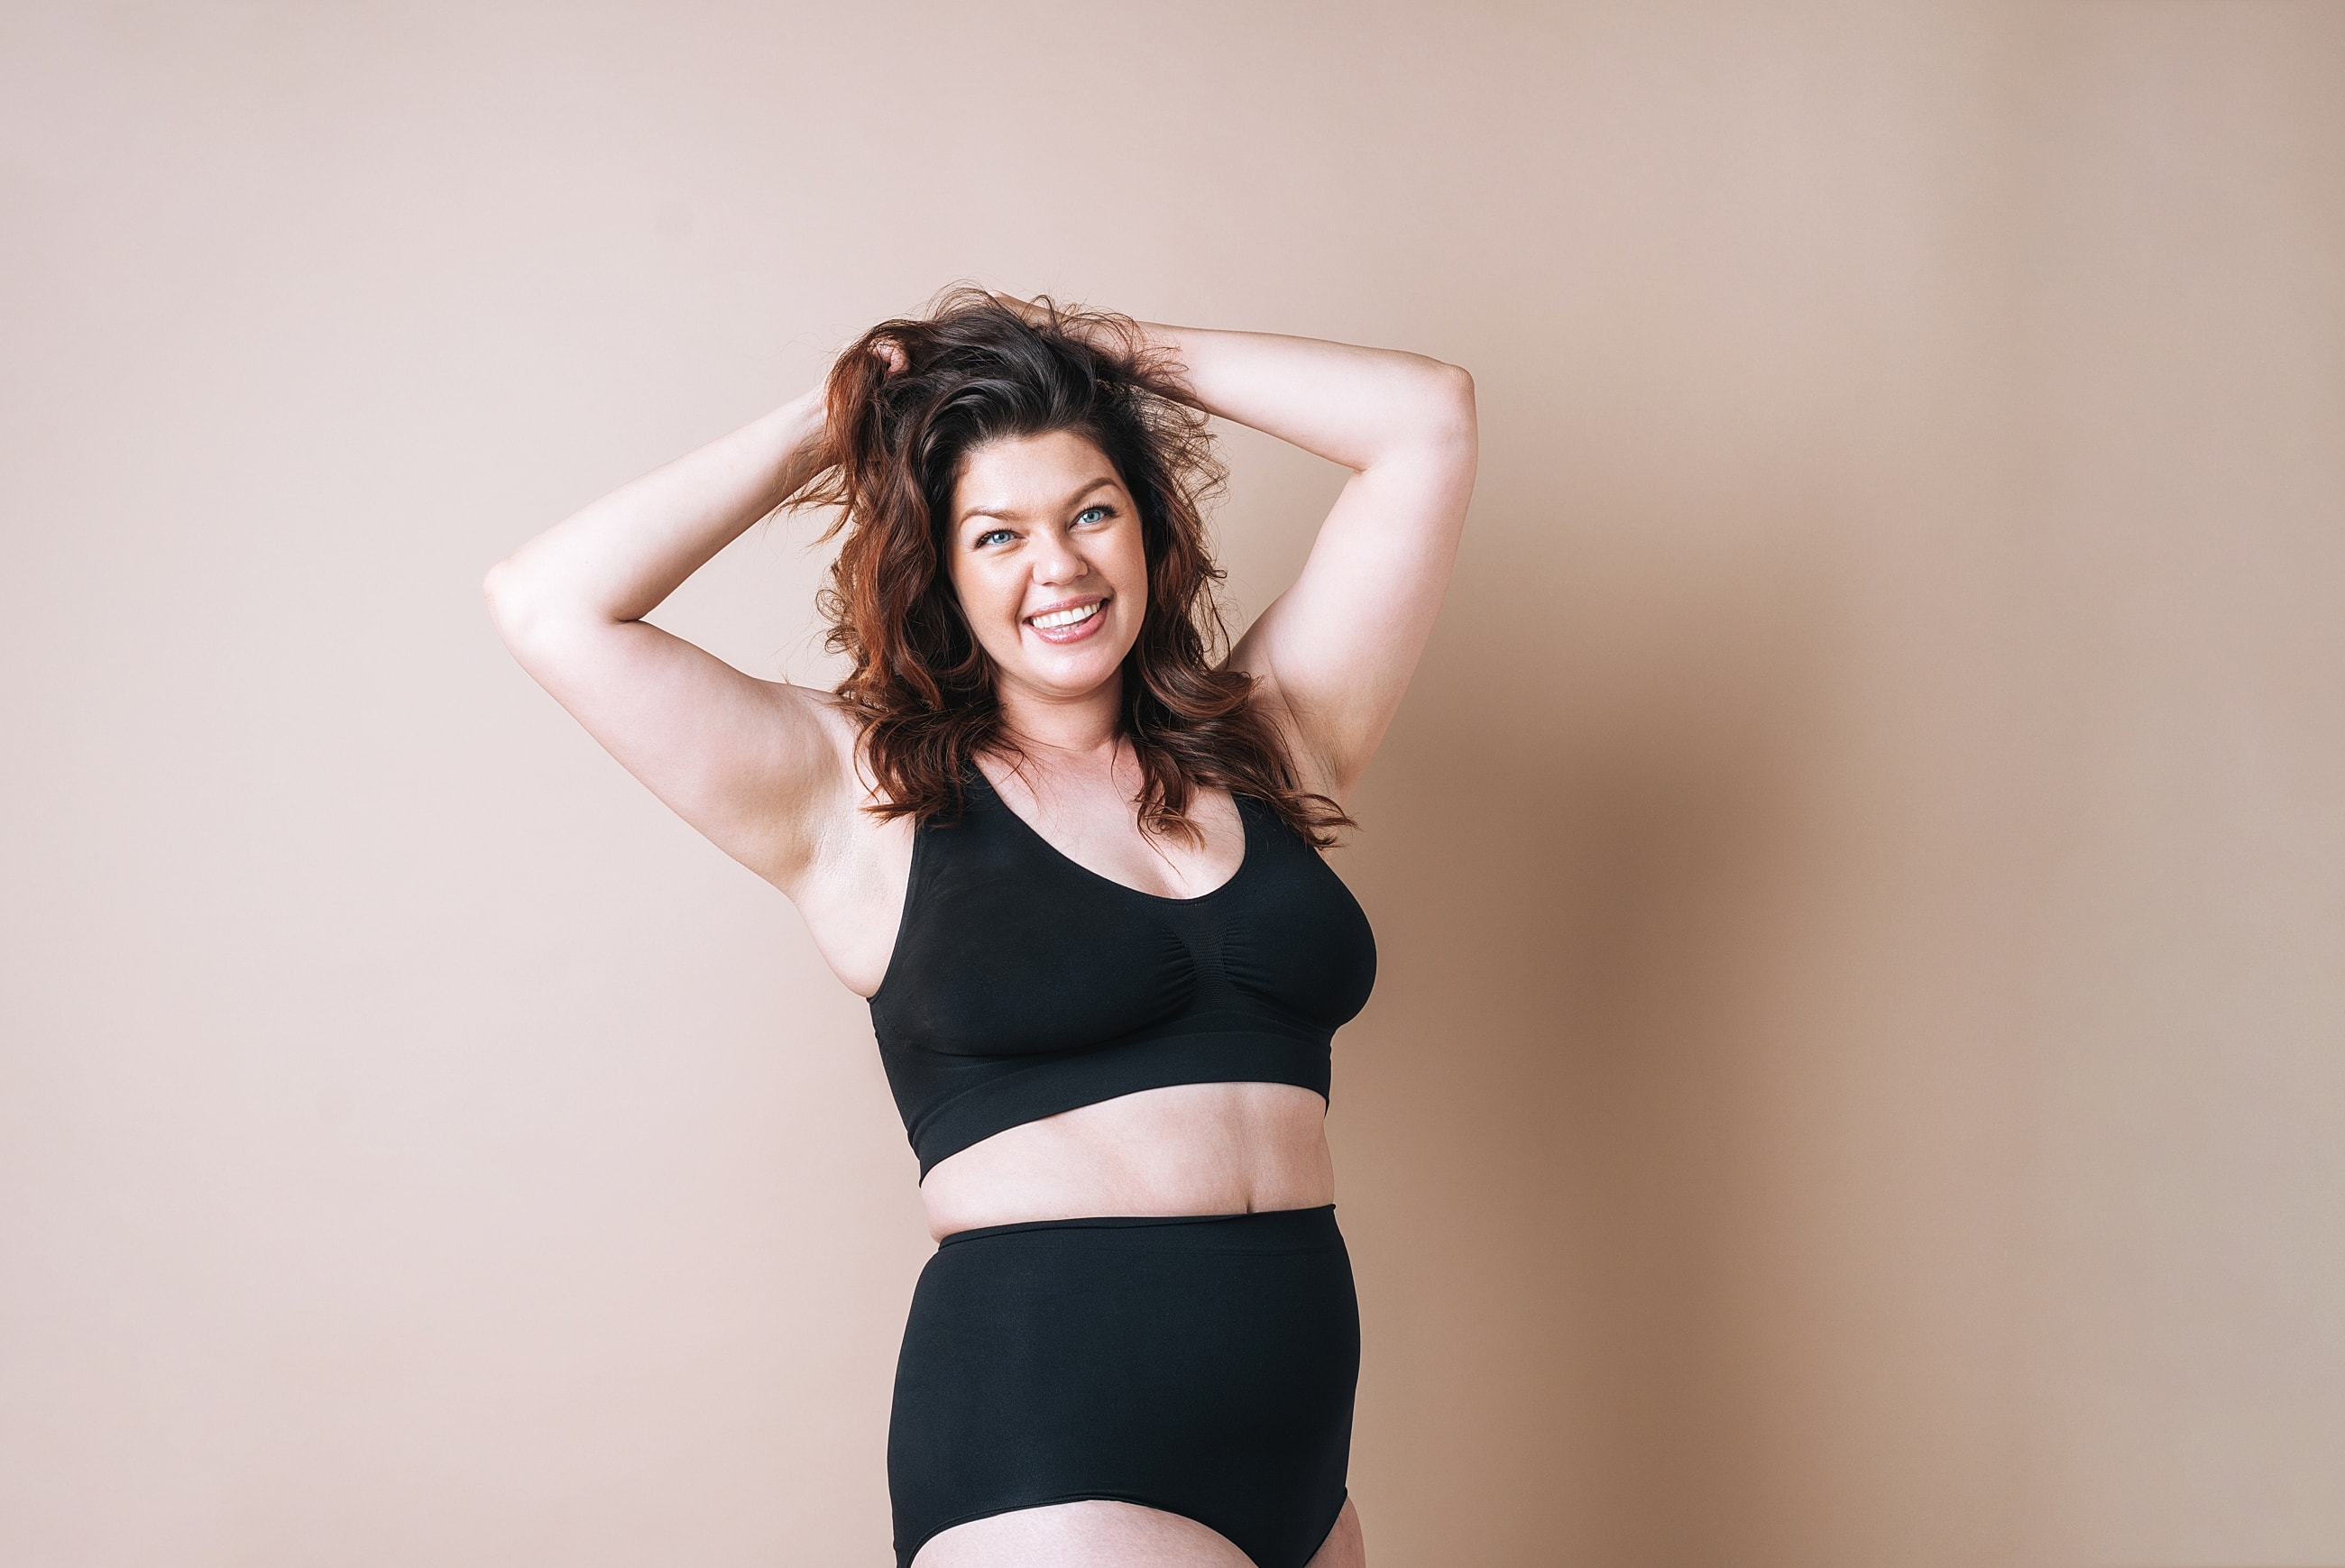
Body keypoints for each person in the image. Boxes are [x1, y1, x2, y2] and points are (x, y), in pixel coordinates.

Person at [483, 288, 1476, 1568]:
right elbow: (547, 602)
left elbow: (1426, 423)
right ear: (941, 573)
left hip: (1299, 1450)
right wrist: (834, 419)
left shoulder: (1269, 743)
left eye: (1091, 513)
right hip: (1049, 1435)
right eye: (997, 535)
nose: (1058, 566)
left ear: (1148, 529)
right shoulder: (863, 794)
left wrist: (1099, 356)